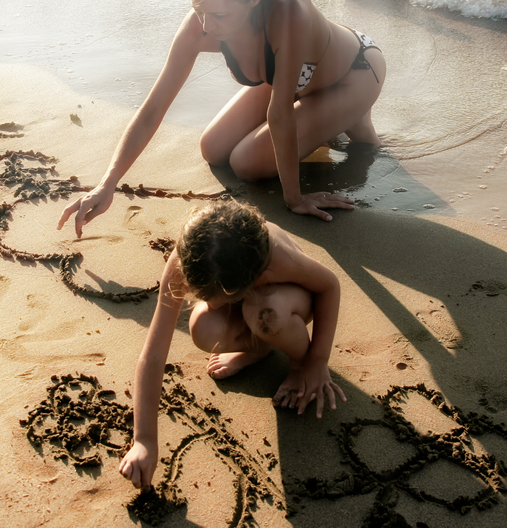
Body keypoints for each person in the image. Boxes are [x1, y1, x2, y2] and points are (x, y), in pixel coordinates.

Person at [57, 0, 385, 233]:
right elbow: (153, 108)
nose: (206, 25)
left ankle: (352, 115)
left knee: (246, 163)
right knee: (213, 147)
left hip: (352, 73)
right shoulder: (201, 24)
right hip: (294, 78)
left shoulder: (289, 10)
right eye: (199, 9)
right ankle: (331, 121)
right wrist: (107, 183)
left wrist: (294, 199)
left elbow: (280, 113)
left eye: (220, 16)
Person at [118, 200, 346, 490]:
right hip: (246, 293)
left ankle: (298, 364)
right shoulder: (186, 258)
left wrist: (317, 360)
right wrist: (144, 440)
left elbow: (329, 286)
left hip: (290, 302)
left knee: (267, 312)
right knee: (204, 327)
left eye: (217, 299)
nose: (211, 304)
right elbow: (152, 356)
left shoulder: (276, 258)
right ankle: (256, 350)